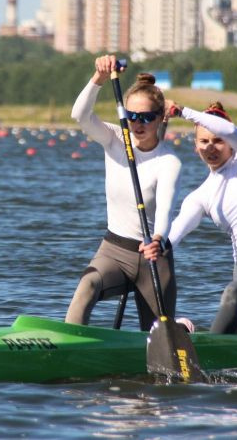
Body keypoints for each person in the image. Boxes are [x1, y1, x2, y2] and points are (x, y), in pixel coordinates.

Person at [141, 100, 237, 334]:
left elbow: (229, 129)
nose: (211, 148)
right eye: (204, 142)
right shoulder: (201, 195)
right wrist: (158, 244)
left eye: (218, 141)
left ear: (231, 145)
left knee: (232, 292)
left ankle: (207, 356)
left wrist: (183, 112)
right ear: (195, 146)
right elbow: (177, 231)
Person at [65, 55, 181, 331]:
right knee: (87, 285)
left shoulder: (168, 162)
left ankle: (175, 334)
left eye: (146, 117)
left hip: (153, 256)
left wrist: (157, 238)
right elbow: (79, 115)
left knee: (156, 332)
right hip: (113, 250)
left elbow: (165, 210)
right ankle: (69, 351)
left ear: (161, 117)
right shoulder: (115, 139)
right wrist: (99, 78)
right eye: (131, 116)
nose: (137, 124)